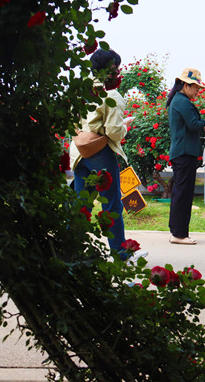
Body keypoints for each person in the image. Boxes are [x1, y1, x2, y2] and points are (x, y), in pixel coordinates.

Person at [70, 48, 147, 262]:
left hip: (78, 151)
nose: (119, 72)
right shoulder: (111, 95)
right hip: (101, 153)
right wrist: (124, 126)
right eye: (116, 68)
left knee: (81, 204)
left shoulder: (81, 90)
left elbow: (73, 121)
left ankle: (68, 248)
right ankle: (120, 253)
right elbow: (113, 131)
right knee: (111, 204)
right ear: (109, 71)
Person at [166, 67, 205, 245]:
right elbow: (195, 125)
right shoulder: (182, 102)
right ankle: (179, 234)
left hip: (182, 152)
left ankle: (176, 231)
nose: (197, 90)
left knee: (180, 192)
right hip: (184, 153)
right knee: (183, 193)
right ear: (186, 85)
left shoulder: (179, 100)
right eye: (195, 87)